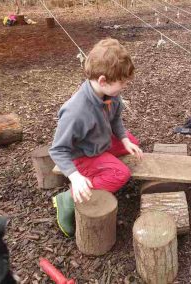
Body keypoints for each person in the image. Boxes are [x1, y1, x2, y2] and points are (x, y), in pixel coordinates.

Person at [49, 38, 143, 237]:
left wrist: (124, 140)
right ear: (102, 80)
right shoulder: (76, 112)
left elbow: (115, 119)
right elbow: (58, 150)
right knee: (121, 174)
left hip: (100, 141)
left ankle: (102, 166)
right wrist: (75, 177)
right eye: (122, 82)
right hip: (83, 155)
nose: (124, 86)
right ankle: (69, 198)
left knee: (133, 143)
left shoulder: (110, 95)